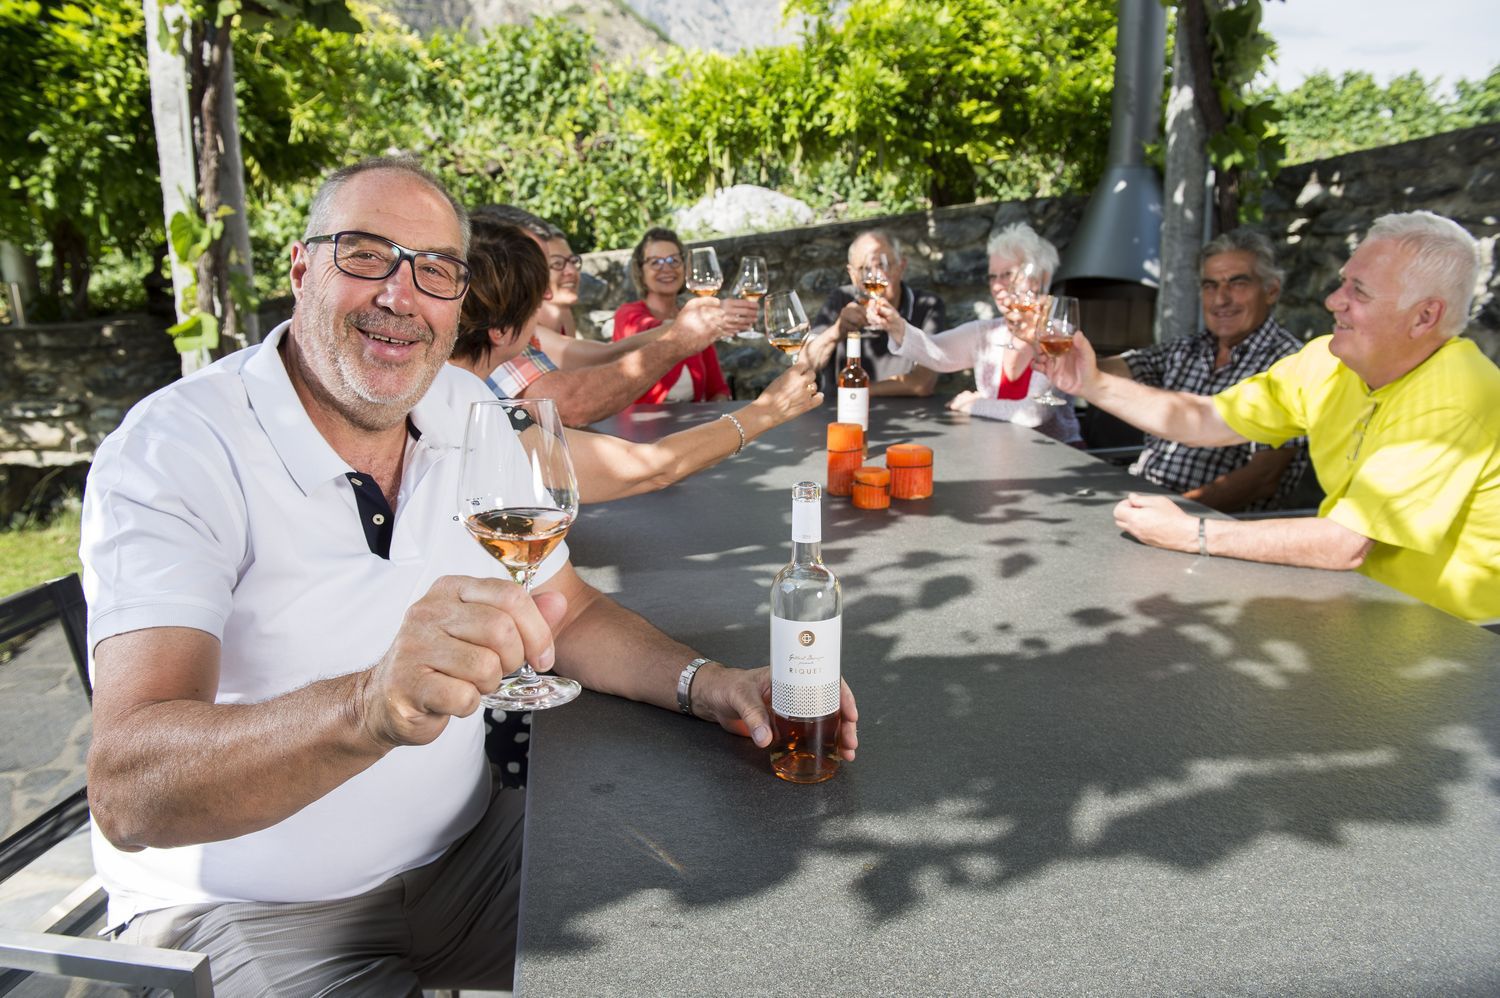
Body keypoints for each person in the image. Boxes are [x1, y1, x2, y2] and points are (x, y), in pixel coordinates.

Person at [79, 157, 860, 996]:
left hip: (473, 857)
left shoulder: (468, 415)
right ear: (302, 268)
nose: (400, 295)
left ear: (458, 300)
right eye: (365, 254)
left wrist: (710, 685)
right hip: (249, 911)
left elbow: (564, 614)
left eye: (435, 271)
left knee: (728, 947)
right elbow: (129, 792)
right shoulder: (178, 451)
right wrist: (370, 706)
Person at [1038, 210, 1500, 625]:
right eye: (1343, 282)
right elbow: (1203, 419)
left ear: (1424, 318)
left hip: (1457, 642)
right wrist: (1091, 383)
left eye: (1357, 291)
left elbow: (1346, 544)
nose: (1333, 300)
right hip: (1357, 607)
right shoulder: (1328, 361)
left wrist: (1190, 531)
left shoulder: (1453, 393)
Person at [450, 215, 825, 504]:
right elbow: (648, 468)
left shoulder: (460, 398)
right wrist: (767, 411)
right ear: (501, 331)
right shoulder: (488, 421)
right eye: (535, 303)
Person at [472, 209, 755, 426]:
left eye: (572, 261)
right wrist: (680, 335)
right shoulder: (496, 334)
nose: (568, 271)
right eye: (553, 264)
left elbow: (603, 356)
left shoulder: (550, 322)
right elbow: (574, 401)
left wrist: (682, 329)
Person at [1095, 229, 1309, 512]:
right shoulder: (1189, 348)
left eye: (1237, 283)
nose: (1220, 299)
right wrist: (1065, 355)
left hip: (1212, 527)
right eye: (1210, 286)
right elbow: (1123, 367)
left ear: (1271, 290)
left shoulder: (1289, 362)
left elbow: (1263, 478)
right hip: (1142, 501)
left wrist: (1179, 512)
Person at [864, 222, 1082, 444]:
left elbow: (1033, 413)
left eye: (1007, 274)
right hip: (1003, 453)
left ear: (1035, 280)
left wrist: (972, 404)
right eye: (992, 277)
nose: (997, 285)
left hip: (1057, 460)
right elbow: (936, 351)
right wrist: (897, 326)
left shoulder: (1055, 336)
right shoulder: (987, 332)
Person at [801, 229, 945, 398]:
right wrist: (837, 331)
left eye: (882, 266)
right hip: (845, 418)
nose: (874, 275)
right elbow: (804, 366)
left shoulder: (927, 305)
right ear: (852, 274)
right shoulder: (840, 300)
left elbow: (922, 382)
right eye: (864, 268)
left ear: (901, 266)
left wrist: (854, 393)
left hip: (907, 416)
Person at [612, 227, 733, 404]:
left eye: (674, 260)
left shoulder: (694, 318)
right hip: (640, 427)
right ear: (640, 270)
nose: (666, 268)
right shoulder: (628, 314)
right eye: (655, 262)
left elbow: (718, 389)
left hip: (692, 425)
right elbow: (647, 330)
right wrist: (702, 322)